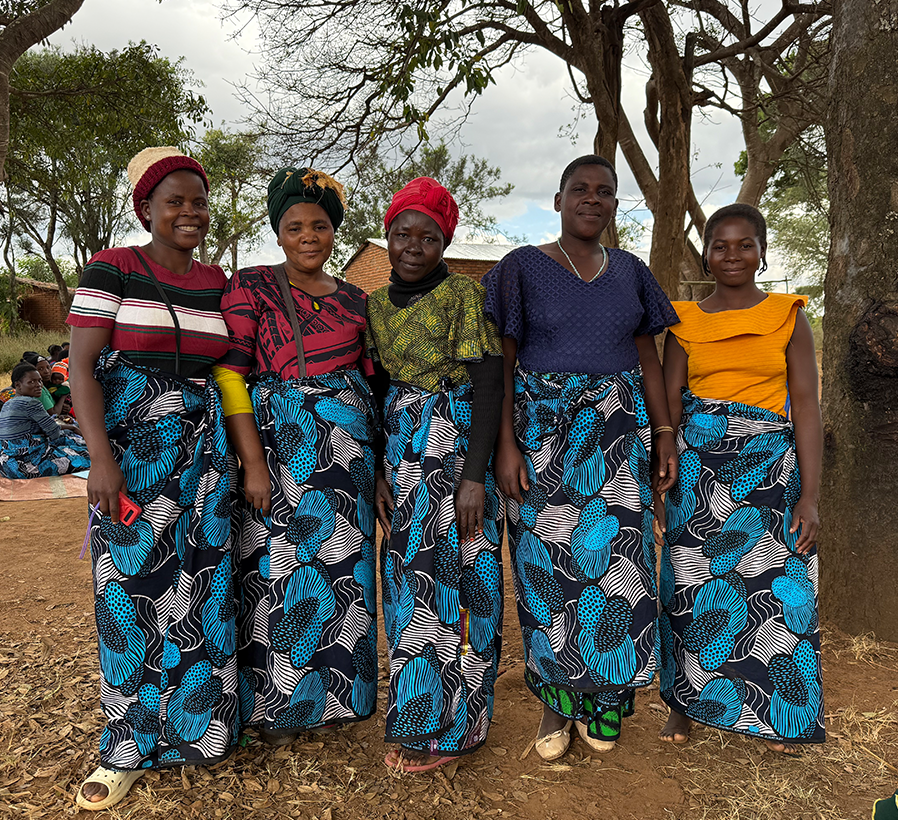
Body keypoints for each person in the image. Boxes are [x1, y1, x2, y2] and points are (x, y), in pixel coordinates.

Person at [482, 155, 679, 761]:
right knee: (547, 572)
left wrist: (664, 431)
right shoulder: (520, 268)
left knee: (619, 572)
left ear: (615, 204)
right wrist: (506, 444)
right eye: (580, 189)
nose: (592, 199)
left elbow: (648, 358)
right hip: (543, 437)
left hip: (617, 437)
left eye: (605, 191)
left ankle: (606, 700)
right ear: (559, 199)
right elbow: (502, 360)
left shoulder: (631, 271)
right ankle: (555, 703)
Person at [68, 147, 238, 811]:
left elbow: (226, 368)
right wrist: (100, 458)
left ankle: (199, 731)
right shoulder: (113, 267)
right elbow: (83, 369)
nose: (190, 212)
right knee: (128, 592)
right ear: (146, 209)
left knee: (202, 587)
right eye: (175, 201)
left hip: (205, 459)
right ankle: (125, 747)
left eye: (199, 201)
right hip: (133, 453)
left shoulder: (216, 281)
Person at [213, 167, 379, 744]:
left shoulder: (357, 300)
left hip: (348, 459)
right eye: (294, 227)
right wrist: (253, 464)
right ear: (277, 233)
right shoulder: (252, 286)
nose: (308, 236)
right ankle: (277, 709)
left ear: (335, 231)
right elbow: (230, 375)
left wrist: (379, 466)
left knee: (345, 576)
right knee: (277, 577)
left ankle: (339, 701)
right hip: (281, 453)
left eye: (320, 225)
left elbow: (371, 382)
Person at [658, 203, 824, 754]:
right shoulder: (683, 321)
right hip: (699, 472)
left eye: (745, 244)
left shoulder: (787, 315)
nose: (732, 255)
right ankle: (685, 703)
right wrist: (662, 479)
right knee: (690, 588)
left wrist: (810, 496)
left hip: (772, 469)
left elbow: (806, 405)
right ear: (706, 254)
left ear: (762, 252)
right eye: (720, 245)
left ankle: (780, 714)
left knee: (777, 589)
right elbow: (671, 407)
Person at [367, 177, 505, 772]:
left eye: (429, 236)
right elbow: (375, 388)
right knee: (408, 583)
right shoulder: (374, 306)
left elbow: (490, 384)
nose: (414, 246)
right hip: (401, 455)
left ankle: (459, 724)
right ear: (388, 237)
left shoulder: (464, 296)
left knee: (463, 579)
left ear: (445, 242)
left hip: (456, 450)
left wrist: (474, 477)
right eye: (403, 234)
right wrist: (378, 467)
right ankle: (417, 710)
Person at [0, 361, 89, 478]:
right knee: (87, 455)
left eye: (39, 381)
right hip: (28, 465)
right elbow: (54, 433)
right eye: (31, 382)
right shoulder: (31, 403)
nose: (38, 385)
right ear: (18, 385)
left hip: (7, 465)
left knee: (71, 439)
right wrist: (72, 429)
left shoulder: (7, 404)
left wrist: (70, 428)